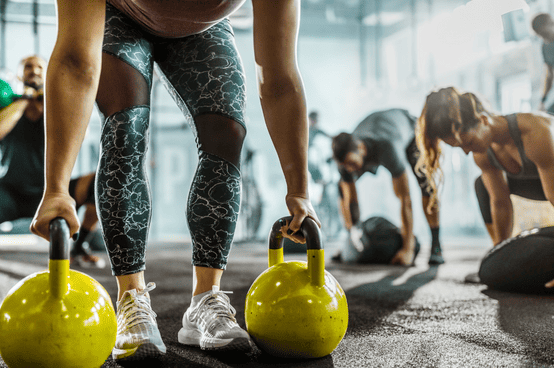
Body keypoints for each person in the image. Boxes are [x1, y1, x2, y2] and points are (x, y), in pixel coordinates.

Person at [29, 0, 319, 362]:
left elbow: (278, 80)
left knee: (227, 132)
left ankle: (205, 300)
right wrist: (56, 189)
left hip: (203, 29)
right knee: (126, 129)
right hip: (120, 18)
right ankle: (131, 298)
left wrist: (300, 191)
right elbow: (76, 62)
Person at [0, 55, 104, 272]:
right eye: (28, 67)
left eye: (40, 67)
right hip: (10, 194)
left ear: (48, 73)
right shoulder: (4, 107)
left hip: (57, 190)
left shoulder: (58, 105)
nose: (34, 71)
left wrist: (48, 98)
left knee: (103, 182)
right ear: (20, 75)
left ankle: (80, 247)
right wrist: (24, 99)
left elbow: (79, 134)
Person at [416, 86, 554, 289]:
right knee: (482, 185)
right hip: (542, 186)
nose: (465, 152)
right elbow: (500, 203)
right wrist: (501, 260)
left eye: (468, 142)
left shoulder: (534, 132)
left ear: (483, 120)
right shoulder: (482, 153)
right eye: (459, 147)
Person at [331, 108, 444, 266]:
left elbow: (405, 199)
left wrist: (407, 249)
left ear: (362, 149)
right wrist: (352, 240)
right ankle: (348, 240)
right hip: (379, 129)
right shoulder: (345, 160)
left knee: (426, 185)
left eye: (351, 163)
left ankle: (436, 246)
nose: (350, 169)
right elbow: (351, 199)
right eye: (345, 165)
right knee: (342, 186)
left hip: (411, 131)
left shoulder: (387, 147)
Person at [531, 13, 554, 114]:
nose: (544, 38)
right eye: (541, 35)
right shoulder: (545, 47)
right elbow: (549, 75)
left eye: (545, 34)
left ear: (552, 24)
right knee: (548, 116)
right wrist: (543, 100)